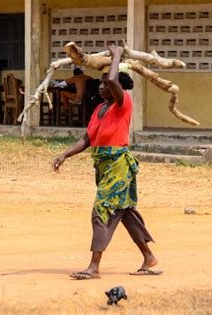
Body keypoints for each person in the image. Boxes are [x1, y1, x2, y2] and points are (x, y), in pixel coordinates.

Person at [52, 45, 161, 280]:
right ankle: (149, 256)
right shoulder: (100, 108)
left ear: (117, 87)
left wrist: (117, 56)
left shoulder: (124, 103)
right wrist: (64, 155)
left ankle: (93, 266)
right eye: (100, 83)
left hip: (118, 164)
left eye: (105, 83)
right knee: (124, 211)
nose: (101, 86)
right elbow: (87, 139)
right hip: (102, 165)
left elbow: (113, 79)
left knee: (101, 208)